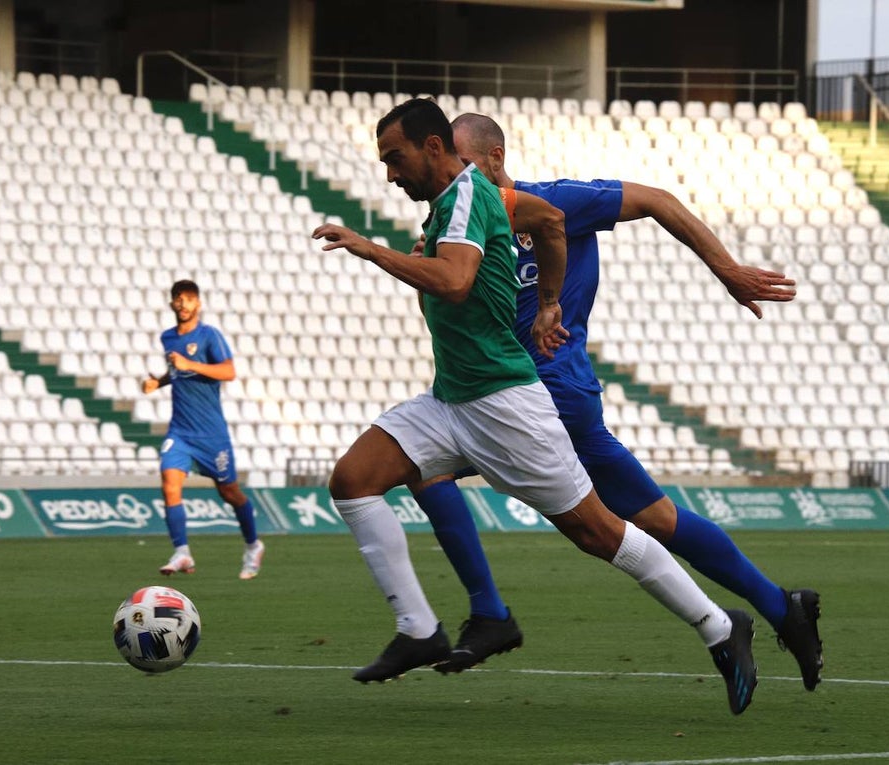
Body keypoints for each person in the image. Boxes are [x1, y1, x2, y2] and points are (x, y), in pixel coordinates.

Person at [312, 98, 758, 716]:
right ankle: (418, 629)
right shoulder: (463, 202)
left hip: (506, 405)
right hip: (452, 402)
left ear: (434, 148)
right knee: (354, 480)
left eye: (395, 157)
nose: (390, 173)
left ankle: (718, 625)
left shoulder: (468, 197)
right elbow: (550, 222)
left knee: (598, 532)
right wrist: (549, 300)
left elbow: (455, 281)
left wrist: (370, 249)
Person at [405, 112, 823, 692]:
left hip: (542, 392)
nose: (454, 177)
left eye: (464, 164)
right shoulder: (459, 221)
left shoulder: (553, 203)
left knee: (422, 467)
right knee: (655, 518)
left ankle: (491, 614)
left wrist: (727, 271)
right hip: (527, 393)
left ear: (496, 159)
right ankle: (784, 609)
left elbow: (657, 200)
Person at [141, 279, 266, 580]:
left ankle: (253, 545)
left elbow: (228, 371)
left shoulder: (209, 336)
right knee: (169, 483)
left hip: (211, 434)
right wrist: (159, 381)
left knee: (230, 492)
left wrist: (190, 364)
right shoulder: (167, 337)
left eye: (188, 299)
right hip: (180, 432)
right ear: (171, 303)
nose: (182, 304)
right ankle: (182, 552)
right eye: (177, 299)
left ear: (198, 303)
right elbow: (178, 372)